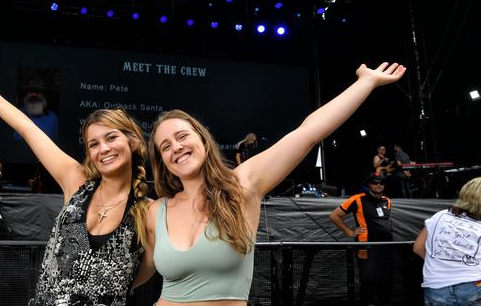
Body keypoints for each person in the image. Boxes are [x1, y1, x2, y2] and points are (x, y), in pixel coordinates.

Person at [139, 62, 406, 305]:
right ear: (162, 161)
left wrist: (365, 82)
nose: (176, 147)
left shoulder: (242, 184)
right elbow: (135, 273)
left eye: (182, 136)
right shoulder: (156, 211)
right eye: (165, 146)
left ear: (202, 140)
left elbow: (308, 132)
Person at [0, 69, 152, 305]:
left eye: (111, 138)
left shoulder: (148, 211)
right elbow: (28, 129)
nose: (103, 149)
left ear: (132, 141)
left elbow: (140, 275)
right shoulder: (77, 182)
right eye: (94, 144)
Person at [413, 177, 481, 305]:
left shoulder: (441, 215)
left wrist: (441, 265)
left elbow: (418, 247)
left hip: (436, 288)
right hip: (475, 286)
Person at [330, 172, 394, 305]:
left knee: (385, 279)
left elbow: (387, 221)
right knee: (368, 279)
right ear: (369, 184)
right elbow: (334, 215)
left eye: (381, 182)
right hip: (367, 246)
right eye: (375, 182)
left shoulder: (387, 201)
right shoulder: (357, 199)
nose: (378, 185)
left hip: (386, 247)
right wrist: (350, 232)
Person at [13, 77, 59, 142]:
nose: (34, 95)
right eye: (30, 91)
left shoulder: (52, 118)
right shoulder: (16, 115)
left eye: (38, 91)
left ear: (44, 95)